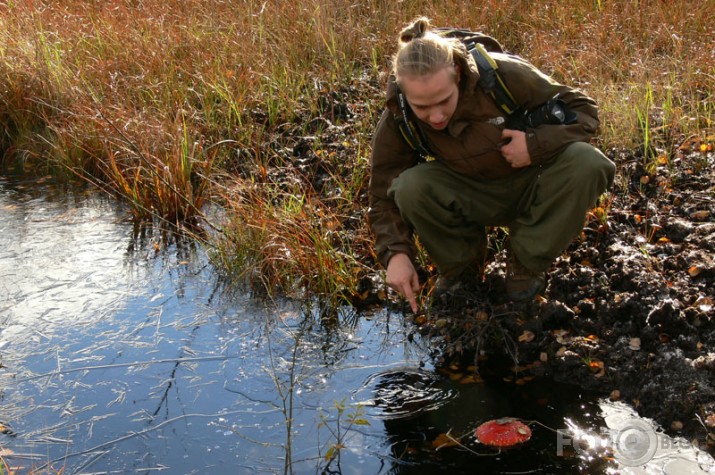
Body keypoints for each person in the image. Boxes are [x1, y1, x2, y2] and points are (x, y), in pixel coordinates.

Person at [368, 17, 616, 313]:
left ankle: (525, 263)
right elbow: (383, 195)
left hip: (532, 183)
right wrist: (396, 254)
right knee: (410, 187)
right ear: (405, 93)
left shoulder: (502, 75)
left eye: (444, 101)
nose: (435, 117)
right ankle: (463, 269)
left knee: (588, 161)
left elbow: (584, 111)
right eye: (422, 107)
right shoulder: (400, 115)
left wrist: (534, 145)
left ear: (457, 74)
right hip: (470, 193)